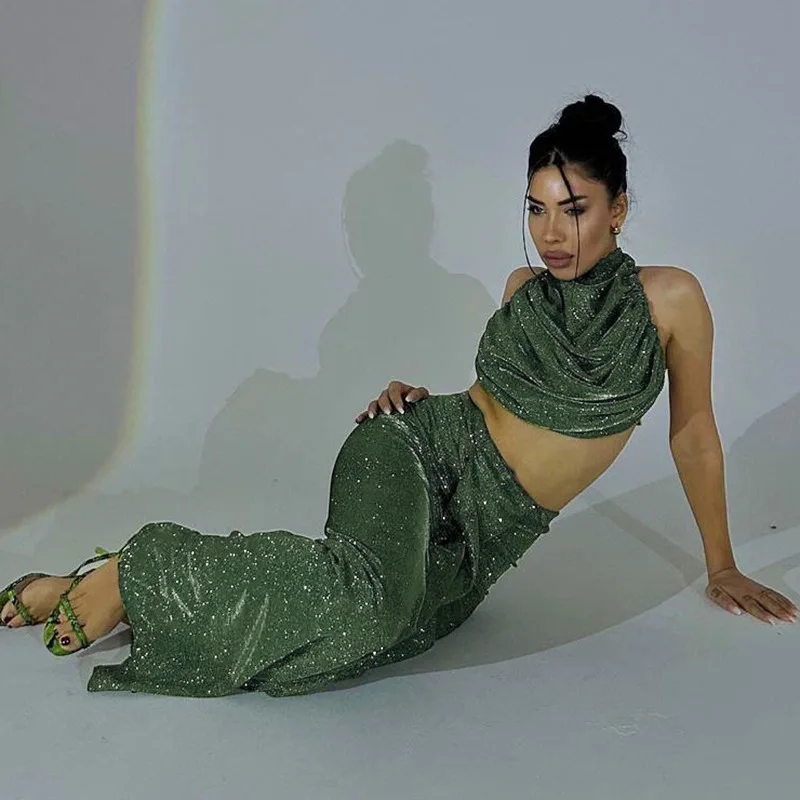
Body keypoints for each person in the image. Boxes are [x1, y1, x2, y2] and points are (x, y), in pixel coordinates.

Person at [2, 94, 796, 698]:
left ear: (618, 210)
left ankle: (93, 583)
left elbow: (693, 432)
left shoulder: (672, 299)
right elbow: (489, 408)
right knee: (370, 608)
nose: (551, 233)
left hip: (485, 540)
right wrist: (420, 399)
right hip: (415, 449)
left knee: (384, 632)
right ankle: (141, 569)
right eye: (536, 209)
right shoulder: (522, 289)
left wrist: (721, 565)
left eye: (574, 209)